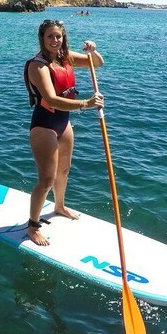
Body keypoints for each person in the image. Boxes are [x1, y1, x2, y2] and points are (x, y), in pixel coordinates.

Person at [23, 19, 104, 246]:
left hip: (64, 123)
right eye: (50, 36)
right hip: (44, 125)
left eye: (58, 36)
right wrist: (86, 104)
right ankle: (32, 226)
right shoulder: (37, 66)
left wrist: (93, 51)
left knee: (64, 171)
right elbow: (50, 99)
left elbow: (96, 64)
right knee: (46, 179)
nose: (54, 40)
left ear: (63, 37)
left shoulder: (65, 57)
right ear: (42, 38)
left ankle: (59, 206)